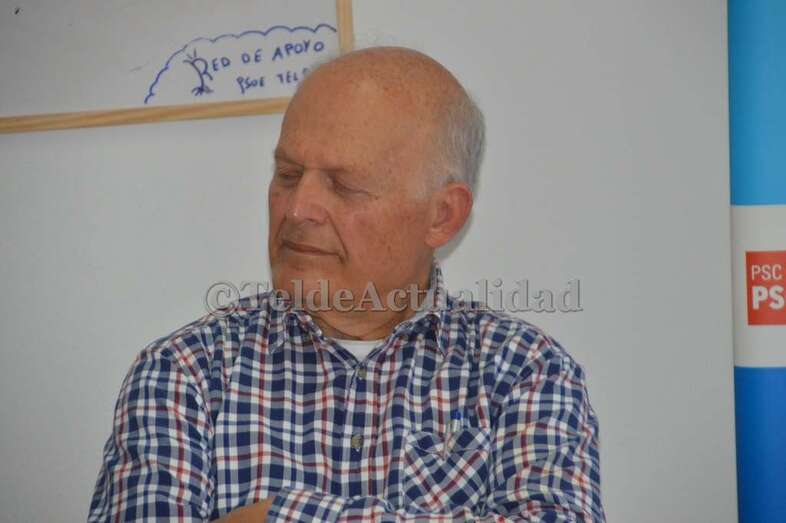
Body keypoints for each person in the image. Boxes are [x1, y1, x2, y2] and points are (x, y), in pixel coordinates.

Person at [88, 46, 605, 522]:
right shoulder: (184, 374)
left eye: (345, 185)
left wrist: (278, 517)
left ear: (442, 216)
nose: (298, 209)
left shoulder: (524, 372)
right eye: (288, 175)